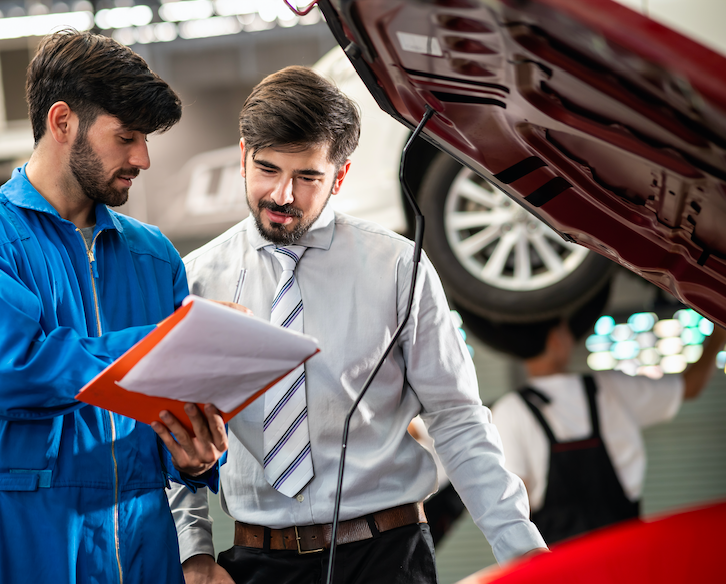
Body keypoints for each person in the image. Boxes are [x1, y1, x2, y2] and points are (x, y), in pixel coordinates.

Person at [168, 65, 546, 584]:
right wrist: (194, 556)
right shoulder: (194, 280)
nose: (282, 195)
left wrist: (527, 558)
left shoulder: (398, 267)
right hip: (256, 564)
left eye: (307, 177)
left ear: (340, 176)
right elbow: (172, 429)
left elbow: (457, 420)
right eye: (267, 169)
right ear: (242, 156)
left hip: (386, 557)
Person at [0, 30, 228, 584]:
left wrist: (194, 457)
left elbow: (178, 409)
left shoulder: (154, 256)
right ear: (62, 122)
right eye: (126, 137)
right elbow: (9, 372)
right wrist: (163, 343)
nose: (143, 158)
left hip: (145, 541)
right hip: (21, 536)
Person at [464, 287, 726, 545]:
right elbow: (689, 387)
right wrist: (719, 330)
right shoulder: (609, 388)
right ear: (556, 339)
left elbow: (513, 504)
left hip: (560, 567)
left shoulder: (510, 411)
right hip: (626, 554)